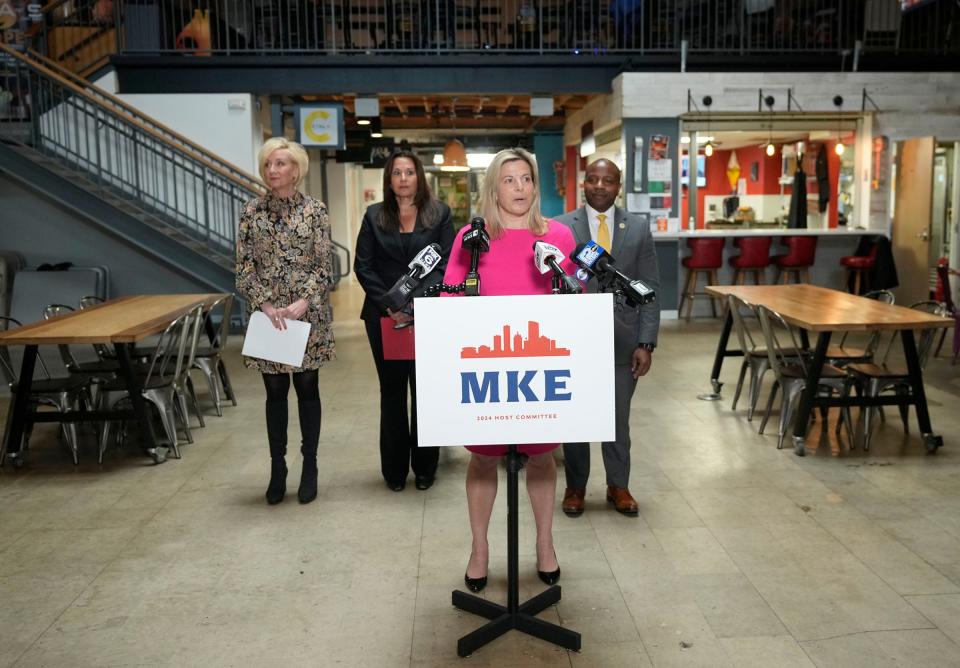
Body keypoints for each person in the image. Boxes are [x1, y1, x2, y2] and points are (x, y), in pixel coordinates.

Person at [441, 148, 577, 593]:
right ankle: (479, 549)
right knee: (482, 456)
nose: (519, 188)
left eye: (526, 179)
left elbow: (576, 300)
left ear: (536, 186)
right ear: (493, 188)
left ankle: (545, 544)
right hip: (487, 367)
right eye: (509, 180)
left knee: (541, 455)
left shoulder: (559, 236)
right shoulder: (471, 237)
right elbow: (451, 296)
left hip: (542, 367)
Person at [556, 158, 660, 517]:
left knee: (617, 419)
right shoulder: (559, 228)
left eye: (609, 180)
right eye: (593, 179)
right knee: (576, 418)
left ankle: (619, 486)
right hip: (574, 341)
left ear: (619, 186)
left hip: (622, 339)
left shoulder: (638, 227)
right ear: (583, 184)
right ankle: (575, 486)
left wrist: (646, 343)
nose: (600, 186)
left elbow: (650, 287)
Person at [236, 137, 335, 506]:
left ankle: (310, 464)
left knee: (307, 389)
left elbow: (324, 265)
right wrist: (263, 303)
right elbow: (243, 267)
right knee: (275, 392)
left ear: (296, 169)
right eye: (267, 165)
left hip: (306, 316)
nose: (272, 171)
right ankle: (278, 467)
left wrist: (302, 302)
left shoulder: (315, 211)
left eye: (279, 164)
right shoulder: (251, 212)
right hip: (269, 318)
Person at [354, 151, 454, 492]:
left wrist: (416, 304)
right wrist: (390, 304)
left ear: (419, 177)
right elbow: (363, 265)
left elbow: (446, 262)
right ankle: (394, 471)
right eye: (396, 172)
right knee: (392, 391)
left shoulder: (439, 214)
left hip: (427, 316)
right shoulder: (373, 216)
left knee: (425, 391)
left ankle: (426, 467)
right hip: (383, 317)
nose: (403, 178)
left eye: (409, 172)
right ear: (389, 179)